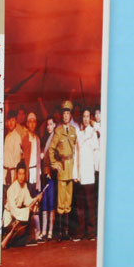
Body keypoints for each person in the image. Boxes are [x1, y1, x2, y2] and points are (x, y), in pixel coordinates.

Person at [48, 100, 78, 240]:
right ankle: (59, 233)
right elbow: (51, 149)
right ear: (62, 115)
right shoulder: (58, 131)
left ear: (70, 115)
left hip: (71, 168)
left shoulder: (73, 131)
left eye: (68, 113)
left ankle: (66, 232)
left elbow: (77, 149)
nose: (66, 116)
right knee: (60, 201)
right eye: (64, 113)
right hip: (62, 167)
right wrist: (54, 163)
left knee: (68, 201)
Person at [2, 163, 42, 246]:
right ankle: (8, 236)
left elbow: (28, 201)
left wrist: (37, 199)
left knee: (21, 241)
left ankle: (17, 239)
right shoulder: (11, 189)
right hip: (9, 217)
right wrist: (27, 210)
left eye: (23, 174)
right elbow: (13, 210)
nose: (22, 177)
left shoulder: (24, 186)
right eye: (20, 174)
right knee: (16, 242)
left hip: (18, 216)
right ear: (17, 174)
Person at [74, 109, 100, 240]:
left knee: (90, 204)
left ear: (90, 118)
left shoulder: (93, 133)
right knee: (80, 205)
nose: (85, 119)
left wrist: (96, 169)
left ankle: (91, 232)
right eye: (84, 116)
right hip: (81, 174)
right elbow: (76, 154)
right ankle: (81, 231)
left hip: (90, 173)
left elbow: (96, 152)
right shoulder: (79, 134)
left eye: (87, 116)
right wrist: (75, 174)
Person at [21, 112, 43, 192]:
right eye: (30, 122)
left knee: (35, 194)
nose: (32, 124)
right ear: (27, 124)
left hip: (36, 172)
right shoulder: (24, 139)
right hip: (28, 173)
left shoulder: (37, 139)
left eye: (34, 122)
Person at [3, 111, 22, 188]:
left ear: (16, 122)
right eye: (9, 120)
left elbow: (17, 160)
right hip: (4, 172)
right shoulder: (7, 136)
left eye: (13, 120)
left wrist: (15, 178)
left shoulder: (17, 137)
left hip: (12, 174)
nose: (10, 123)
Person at [39, 161, 57, 241]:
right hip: (42, 179)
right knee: (44, 205)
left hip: (51, 179)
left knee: (51, 204)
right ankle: (44, 232)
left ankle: (50, 231)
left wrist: (50, 171)